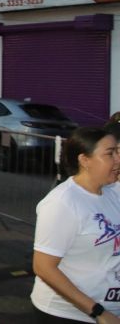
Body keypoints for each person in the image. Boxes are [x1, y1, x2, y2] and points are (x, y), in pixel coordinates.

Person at [31, 127, 120, 323]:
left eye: (117, 152)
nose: (118, 160)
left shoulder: (112, 192)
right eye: (110, 153)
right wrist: (98, 312)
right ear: (85, 160)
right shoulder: (62, 203)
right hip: (69, 315)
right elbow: (44, 267)